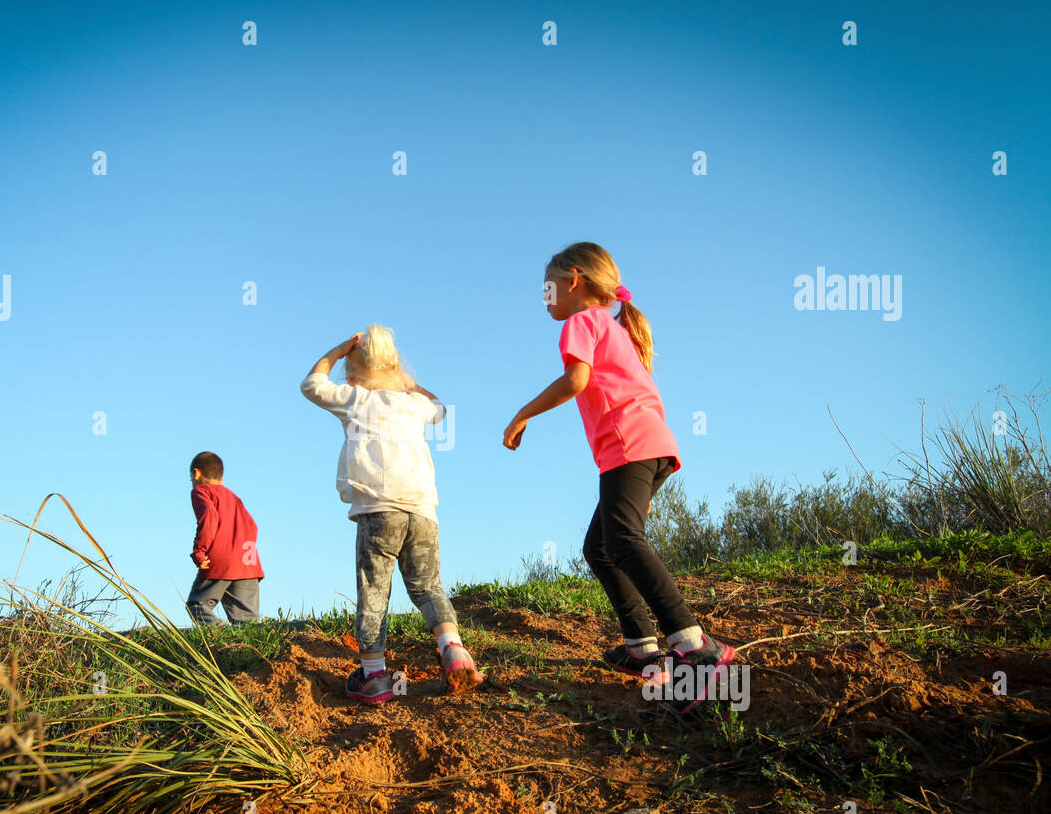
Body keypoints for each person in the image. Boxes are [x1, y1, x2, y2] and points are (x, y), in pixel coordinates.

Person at [502, 242, 734, 713]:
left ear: (573, 280)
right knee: (601, 547)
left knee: (624, 541)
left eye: (547, 287)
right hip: (649, 447)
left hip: (630, 447)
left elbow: (576, 381)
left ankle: (697, 649)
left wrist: (522, 415)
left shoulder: (582, 322)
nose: (544, 297)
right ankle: (641, 648)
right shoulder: (614, 326)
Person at [301, 325, 482, 705]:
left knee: (374, 594)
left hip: (377, 510)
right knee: (428, 586)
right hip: (422, 510)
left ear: (353, 373)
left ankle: (374, 677)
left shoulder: (355, 397)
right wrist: (406, 380)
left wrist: (336, 350)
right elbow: (441, 408)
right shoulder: (413, 403)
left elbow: (311, 384)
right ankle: (453, 649)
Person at [186, 450, 264, 626]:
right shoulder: (233, 496)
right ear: (221, 480)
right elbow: (252, 526)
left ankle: (219, 632)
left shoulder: (201, 491)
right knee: (247, 623)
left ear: (196, 473)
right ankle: (247, 650)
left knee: (197, 605)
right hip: (248, 561)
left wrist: (199, 551)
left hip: (220, 560)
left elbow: (209, 518)